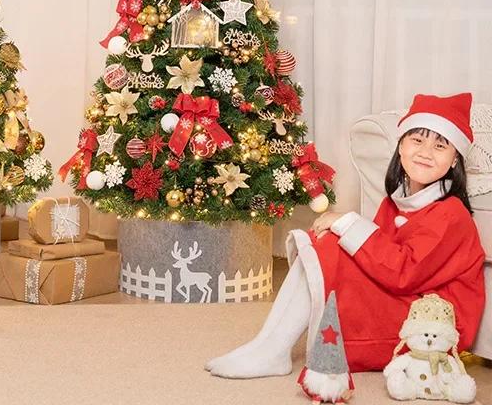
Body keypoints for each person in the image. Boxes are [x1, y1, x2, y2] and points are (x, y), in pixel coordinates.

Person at [206, 92, 486, 378]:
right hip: (405, 300)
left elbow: (403, 272)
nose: (426, 152)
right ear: (400, 146)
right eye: (417, 140)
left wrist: (347, 223)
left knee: (333, 243)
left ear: (454, 160)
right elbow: (377, 259)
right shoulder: (395, 203)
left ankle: (272, 349)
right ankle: (267, 344)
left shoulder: (451, 215)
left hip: (432, 325)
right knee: (326, 242)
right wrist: (341, 232)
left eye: (440, 145)